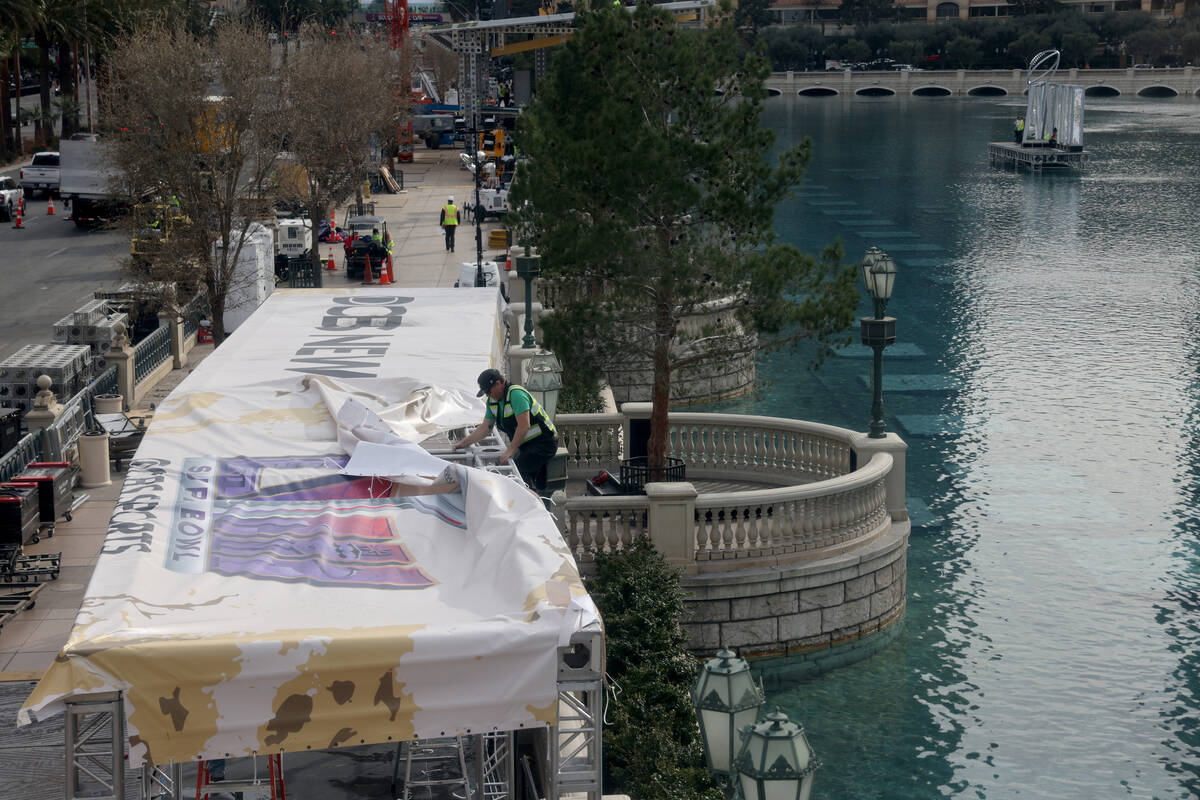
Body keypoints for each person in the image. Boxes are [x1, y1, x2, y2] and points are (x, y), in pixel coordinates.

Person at [453, 368, 559, 491]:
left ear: (498, 383)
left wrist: (510, 450)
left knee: (519, 469)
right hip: (527, 445)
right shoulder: (492, 401)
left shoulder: (516, 394)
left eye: (488, 391)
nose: (488, 395)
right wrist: (463, 443)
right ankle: (533, 495)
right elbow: (485, 428)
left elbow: (524, 426)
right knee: (519, 469)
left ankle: (529, 503)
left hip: (545, 442)